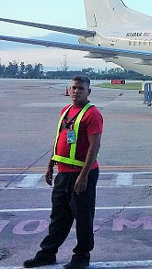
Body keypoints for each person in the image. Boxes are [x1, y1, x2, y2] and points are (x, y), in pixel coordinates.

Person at [24, 76, 103, 269]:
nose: (76, 92)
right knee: (58, 216)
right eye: (74, 88)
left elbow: (95, 146)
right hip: (63, 173)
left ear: (88, 92)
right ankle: (47, 253)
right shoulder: (66, 111)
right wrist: (50, 164)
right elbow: (59, 139)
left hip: (81, 174)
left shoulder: (92, 114)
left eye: (81, 89)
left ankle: (82, 256)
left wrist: (83, 176)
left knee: (83, 217)